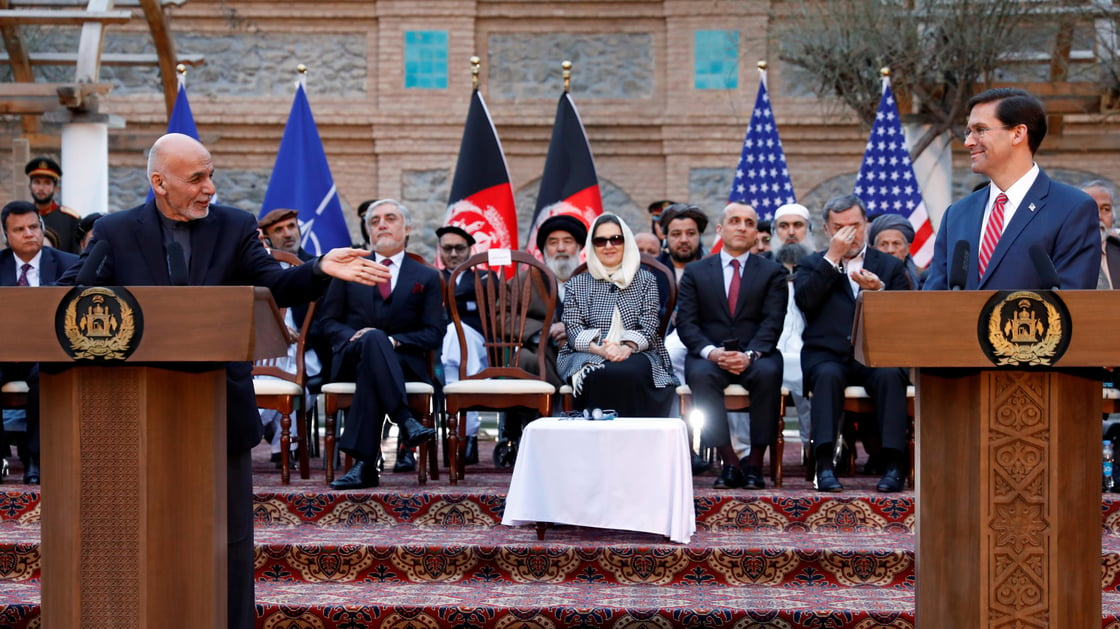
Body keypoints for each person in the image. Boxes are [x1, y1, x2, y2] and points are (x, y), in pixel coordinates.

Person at [57, 132, 387, 629]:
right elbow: (73, 298)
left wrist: (318, 267)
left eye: (211, 174)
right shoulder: (117, 231)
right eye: (196, 178)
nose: (210, 187)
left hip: (220, 405)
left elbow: (273, 285)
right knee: (147, 530)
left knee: (227, 535)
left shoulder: (234, 226)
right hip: (137, 412)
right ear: (159, 183)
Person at [319, 199, 442, 490]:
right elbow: (325, 323)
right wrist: (352, 337)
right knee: (371, 341)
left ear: (407, 228)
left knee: (374, 359)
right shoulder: (349, 270)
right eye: (374, 221)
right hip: (352, 357)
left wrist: (394, 342)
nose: (382, 224)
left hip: (404, 363)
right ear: (368, 232)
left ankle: (364, 466)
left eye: (390, 218)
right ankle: (405, 419)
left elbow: (434, 333)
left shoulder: (426, 276)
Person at [924, 88, 1099, 291]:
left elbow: (1072, 301)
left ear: (1017, 134)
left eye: (980, 130)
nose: (968, 142)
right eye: (968, 132)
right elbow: (934, 297)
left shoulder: (1072, 209)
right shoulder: (957, 214)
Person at [794, 194, 910, 493]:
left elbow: (906, 316)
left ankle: (895, 464)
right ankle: (824, 464)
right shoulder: (811, 264)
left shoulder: (889, 266)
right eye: (840, 227)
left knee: (889, 375)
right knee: (828, 376)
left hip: (875, 353)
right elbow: (806, 301)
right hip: (827, 354)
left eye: (856, 225)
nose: (850, 233)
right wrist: (832, 258)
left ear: (867, 224)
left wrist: (879, 292)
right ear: (827, 230)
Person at [676, 202, 787, 490]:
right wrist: (711, 352)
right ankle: (730, 464)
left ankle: (754, 464)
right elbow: (687, 323)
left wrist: (750, 355)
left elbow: (773, 321)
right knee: (701, 375)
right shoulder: (696, 272)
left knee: (768, 373)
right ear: (720, 229)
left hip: (757, 353)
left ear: (755, 233)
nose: (742, 227)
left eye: (749, 223)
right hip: (710, 354)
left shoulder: (772, 272)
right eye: (735, 221)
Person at [557, 213, 677, 417]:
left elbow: (649, 325)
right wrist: (602, 351)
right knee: (598, 373)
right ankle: (597, 442)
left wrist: (625, 348)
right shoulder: (577, 284)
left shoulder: (646, 280)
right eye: (600, 241)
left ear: (626, 242)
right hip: (587, 353)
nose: (609, 246)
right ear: (592, 246)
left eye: (616, 239)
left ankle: (638, 441)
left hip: (639, 351)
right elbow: (574, 330)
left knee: (631, 372)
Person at [0, 200, 79, 484]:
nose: (29, 233)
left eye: (34, 226)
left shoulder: (67, 264)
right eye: (19, 229)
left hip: (48, 352)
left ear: (42, 227)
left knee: (44, 375)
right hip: (4, 354)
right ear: (7, 237)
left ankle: (35, 459)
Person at [436, 224, 486, 464]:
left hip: (479, 346)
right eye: (448, 248)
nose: (453, 254)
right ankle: (467, 435)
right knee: (453, 337)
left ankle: (457, 433)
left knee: (459, 333)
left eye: (459, 248)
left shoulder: (485, 277)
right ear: (440, 250)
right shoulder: (431, 277)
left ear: (470, 250)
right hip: (438, 348)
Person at [25, 156, 82, 254]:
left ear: (56, 188)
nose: (41, 188)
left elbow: (76, 257)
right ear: (30, 187)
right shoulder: (23, 217)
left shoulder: (70, 219)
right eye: (37, 182)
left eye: (47, 183)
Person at [869, 213, 921, 289]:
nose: (890, 250)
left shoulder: (924, 277)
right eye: (883, 244)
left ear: (907, 249)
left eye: (896, 243)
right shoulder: (864, 277)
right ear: (873, 249)